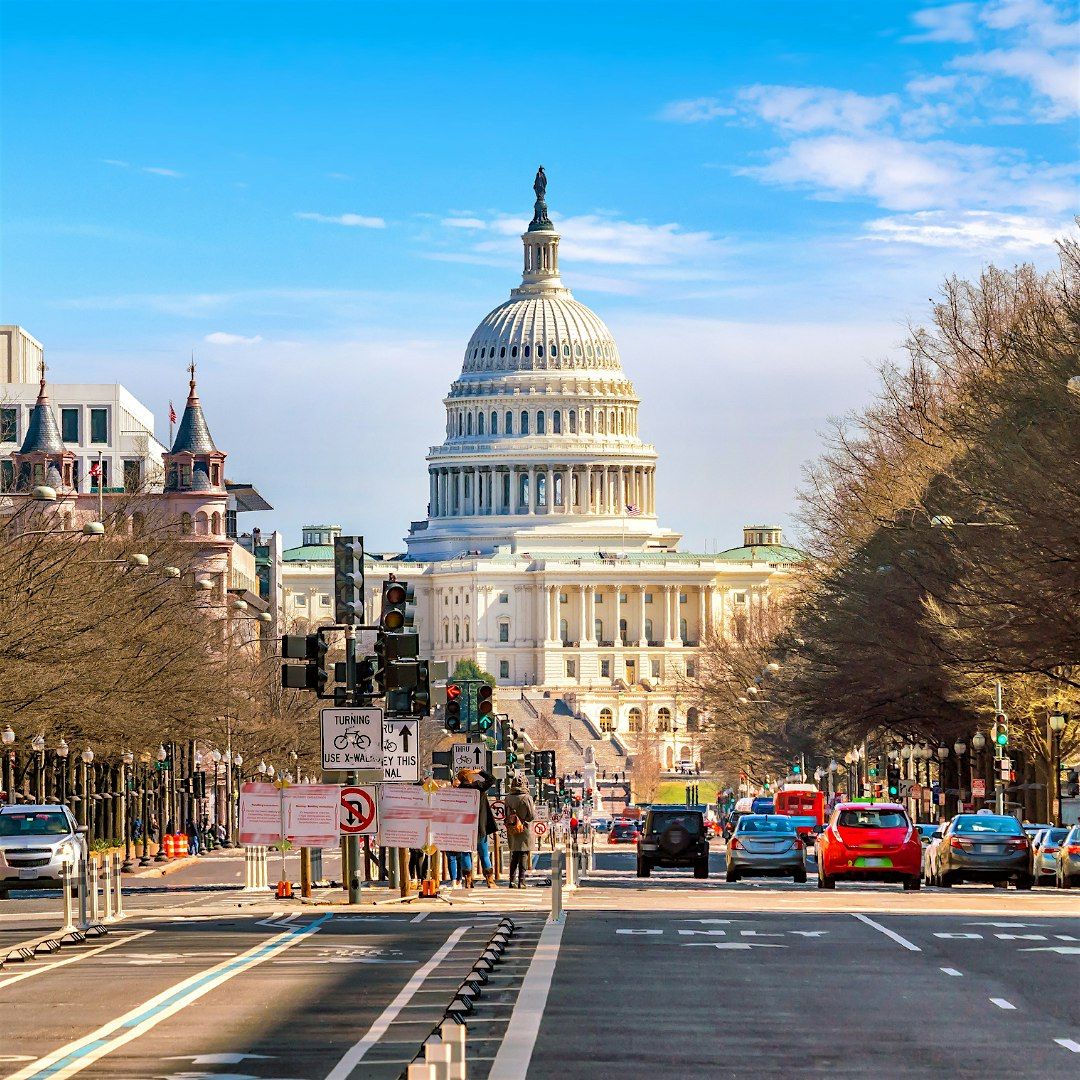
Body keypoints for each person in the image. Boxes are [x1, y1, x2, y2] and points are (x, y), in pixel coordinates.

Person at [456, 767, 498, 887]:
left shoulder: (458, 791)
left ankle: (468, 880)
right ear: (470, 777)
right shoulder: (478, 787)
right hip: (479, 826)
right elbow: (491, 779)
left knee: (465, 852)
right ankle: (490, 880)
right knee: (484, 853)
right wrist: (480, 772)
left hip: (464, 826)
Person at [504, 772, 537, 888]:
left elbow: (505, 814)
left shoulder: (508, 798)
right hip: (524, 828)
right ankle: (521, 881)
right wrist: (524, 819)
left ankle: (511, 880)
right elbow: (532, 816)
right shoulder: (527, 798)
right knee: (523, 854)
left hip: (512, 828)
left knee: (514, 855)